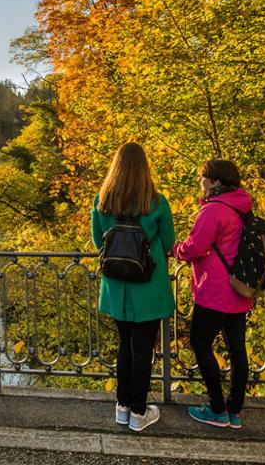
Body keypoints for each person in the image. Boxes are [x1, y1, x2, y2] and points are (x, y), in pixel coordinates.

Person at [92, 143, 175, 432]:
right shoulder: (156, 202)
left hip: (116, 286)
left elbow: (98, 242)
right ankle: (139, 411)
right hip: (148, 286)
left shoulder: (102, 201)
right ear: (144, 168)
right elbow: (168, 243)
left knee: (124, 346)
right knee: (143, 350)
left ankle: (122, 406)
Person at [173, 159, 253, 429]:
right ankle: (235, 411)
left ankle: (216, 407)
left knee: (200, 343)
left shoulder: (214, 210)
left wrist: (175, 250)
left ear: (215, 181)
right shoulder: (242, 206)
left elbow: (195, 247)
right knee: (237, 348)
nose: (200, 182)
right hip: (239, 289)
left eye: (202, 178)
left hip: (215, 290)